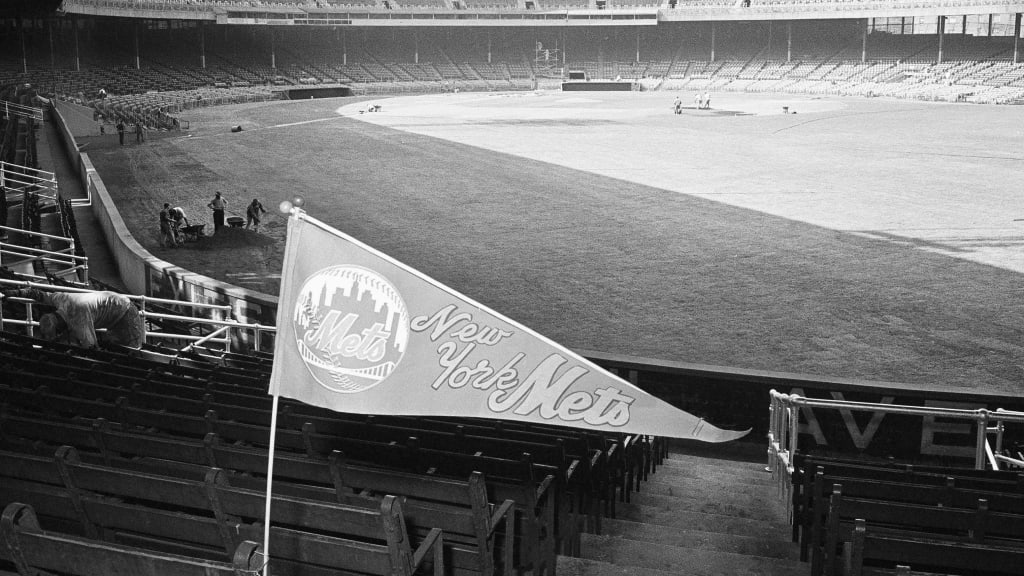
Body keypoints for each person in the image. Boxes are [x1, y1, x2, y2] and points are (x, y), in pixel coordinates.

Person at [1, 288, 145, 349]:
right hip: (116, 308)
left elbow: (92, 348)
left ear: (60, 328)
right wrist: (11, 292)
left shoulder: (78, 320)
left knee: (133, 353)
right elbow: (36, 294)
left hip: (125, 313)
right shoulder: (61, 299)